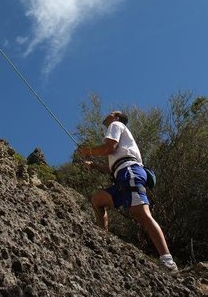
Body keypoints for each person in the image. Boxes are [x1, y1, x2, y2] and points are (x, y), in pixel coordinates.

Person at [76, 110, 178, 273]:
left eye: (112, 113)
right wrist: (94, 165)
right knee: (97, 200)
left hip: (129, 171)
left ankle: (168, 261)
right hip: (123, 174)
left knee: (142, 214)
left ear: (116, 117)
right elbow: (113, 168)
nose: (108, 114)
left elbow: (110, 147)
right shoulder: (123, 139)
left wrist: (88, 151)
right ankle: (104, 241)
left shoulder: (116, 125)